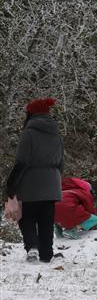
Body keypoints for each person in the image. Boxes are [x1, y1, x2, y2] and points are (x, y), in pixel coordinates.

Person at [4, 98, 64, 263]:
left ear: (31, 114)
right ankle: (46, 253)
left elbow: (22, 162)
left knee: (27, 218)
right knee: (46, 220)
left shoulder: (28, 133)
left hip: (30, 184)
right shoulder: (56, 134)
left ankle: (32, 248)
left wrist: (11, 184)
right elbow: (61, 163)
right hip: (52, 185)